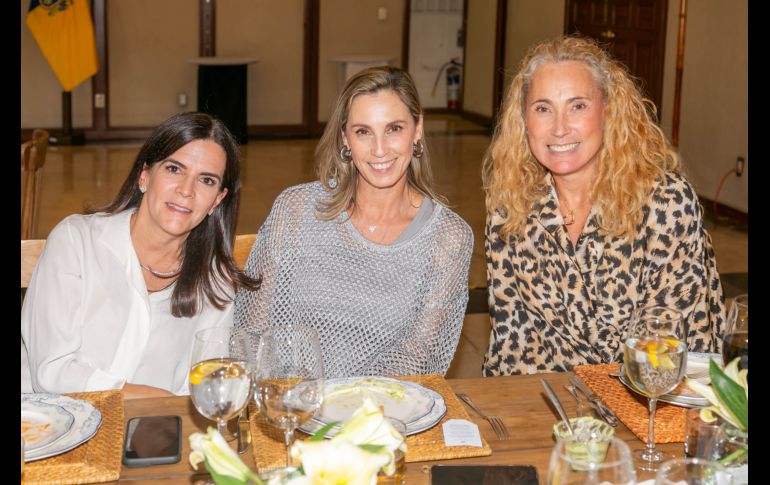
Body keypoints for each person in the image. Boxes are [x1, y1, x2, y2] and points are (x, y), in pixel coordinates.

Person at [481, 36, 725, 376]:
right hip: (553, 399)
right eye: (543, 108)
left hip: (650, 393)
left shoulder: (664, 201)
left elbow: (673, 347)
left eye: (578, 106)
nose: (560, 128)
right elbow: (511, 345)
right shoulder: (512, 205)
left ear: (608, 111)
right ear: (524, 119)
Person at [234, 66, 473, 378]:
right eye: (363, 132)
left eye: (394, 129)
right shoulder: (295, 210)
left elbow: (417, 355)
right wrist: (286, 398)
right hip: (289, 399)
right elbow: (251, 331)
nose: (379, 149)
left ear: (417, 130)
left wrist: (352, 402)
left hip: (380, 403)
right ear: (345, 138)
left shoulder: (448, 238)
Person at [21, 112, 259, 398]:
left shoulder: (215, 282)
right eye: (174, 169)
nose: (186, 190)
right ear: (144, 176)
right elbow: (51, 372)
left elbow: (203, 389)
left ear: (217, 200)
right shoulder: (76, 241)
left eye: (206, 180)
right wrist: (155, 400)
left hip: (154, 426)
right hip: (50, 420)